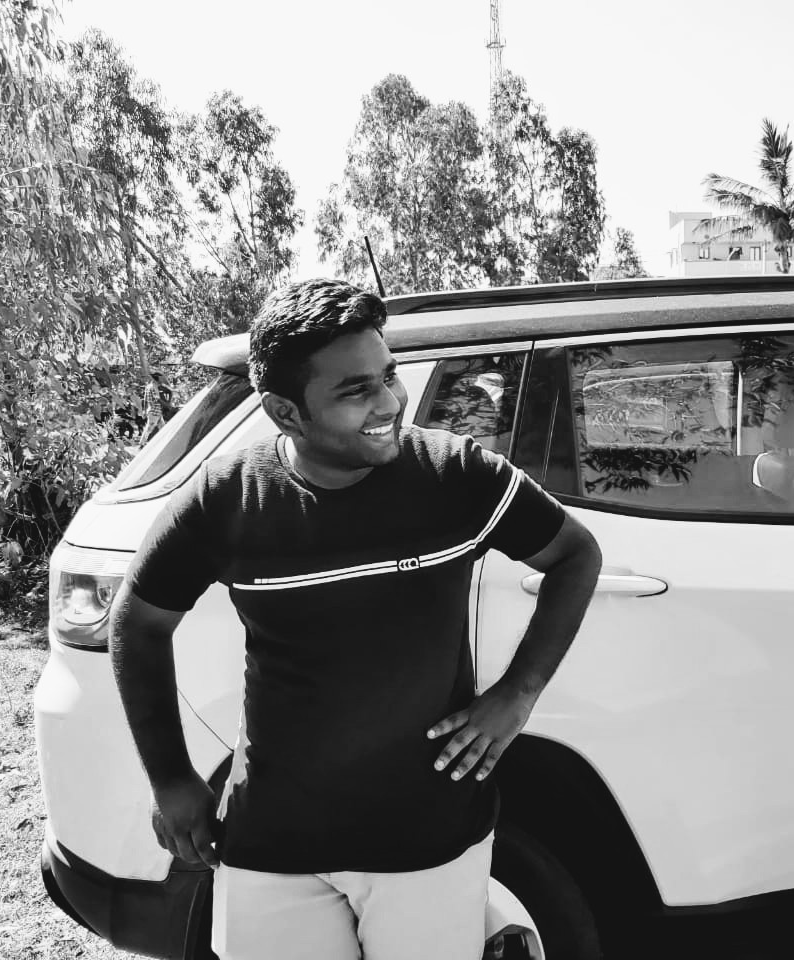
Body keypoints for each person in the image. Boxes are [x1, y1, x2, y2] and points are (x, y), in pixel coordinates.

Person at [109, 279, 602, 960]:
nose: (390, 403)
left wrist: (518, 694)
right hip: (273, 841)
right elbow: (137, 623)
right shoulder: (227, 500)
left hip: (429, 839)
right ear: (285, 412)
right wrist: (170, 778)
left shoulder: (454, 476)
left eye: (389, 375)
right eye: (355, 390)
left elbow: (575, 555)